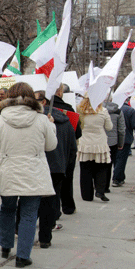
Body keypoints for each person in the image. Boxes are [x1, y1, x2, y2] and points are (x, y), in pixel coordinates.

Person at [0, 82, 57, 268]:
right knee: (29, 214)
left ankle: (5, 246)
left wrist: (3, 151)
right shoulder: (41, 119)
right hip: (33, 171)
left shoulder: (0, 119)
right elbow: (51, 146)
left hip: (7, 170)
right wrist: (52, 127)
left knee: (7, 208)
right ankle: (23, 256)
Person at [34, 91, 76, 248]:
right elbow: (73, 147)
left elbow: (50, 145)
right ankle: (46, 236)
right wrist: (66, 165)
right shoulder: (66, 120)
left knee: (31, 201)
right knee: (50, 203)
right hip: (57, 166)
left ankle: (21, 227)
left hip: (41, 165)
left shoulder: (38, 121)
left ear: (43, 102)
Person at [52, 84, 81, 214]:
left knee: (53, 181)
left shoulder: (43, 110)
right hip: (67, 149)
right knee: (67, 179)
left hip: (51, 149)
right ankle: (68, 206)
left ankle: (55, 210)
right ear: (60, 92)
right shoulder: (68, 109)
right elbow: (77, 133)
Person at [77, 96, 113, 202]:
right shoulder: (103, 111)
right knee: (101, 168)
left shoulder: (80, 111)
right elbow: (109, 127)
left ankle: (87, 195)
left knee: (85, 170)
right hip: (99, 143)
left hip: (85, 143)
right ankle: (100, 190)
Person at [112, 98, 135, 186]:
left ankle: (119, 176)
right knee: (121, 160)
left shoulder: (110, 109)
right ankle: (117, 178)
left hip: (112, 138)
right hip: (126, 138)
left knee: (115, 159)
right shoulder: (130, 110)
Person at [103, 100, 125, 192]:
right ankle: (105, 186)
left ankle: (98, 184)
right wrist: (121, 143)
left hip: (101, 140)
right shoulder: (118, 111)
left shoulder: (98, 109)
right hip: (113, 141)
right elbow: (121, 129)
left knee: (100, 164)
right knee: (109, 164)